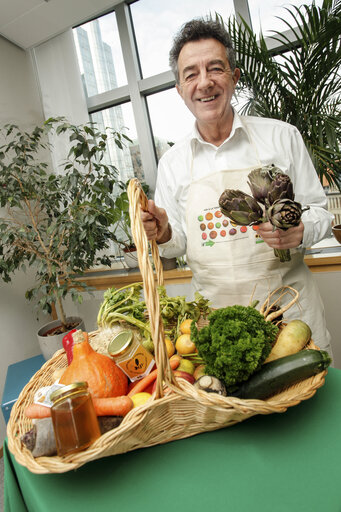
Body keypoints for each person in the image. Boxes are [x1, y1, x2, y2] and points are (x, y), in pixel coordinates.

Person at [141, 18, 334, 356]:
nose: (204, 83)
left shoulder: (282, 136)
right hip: (220, 329)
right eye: (191, 74)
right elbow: (177, 246)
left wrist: (300, 230)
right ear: (180, 89)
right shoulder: (171, 163)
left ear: (235, 76)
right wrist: (164, 231)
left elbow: (321, 211)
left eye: (215, 68)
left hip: (292, 319)